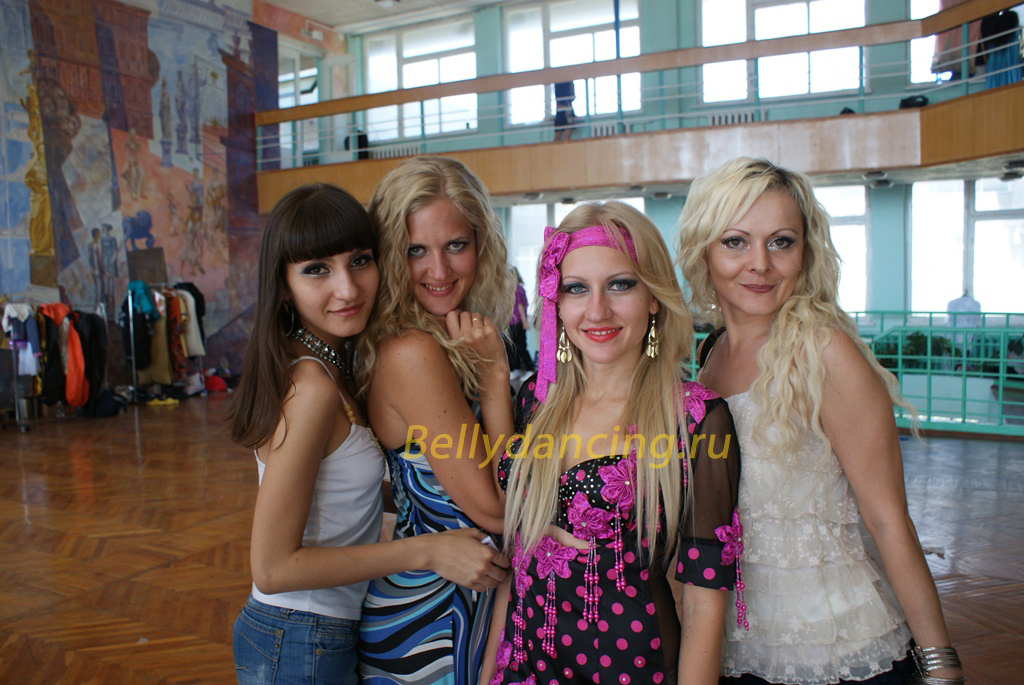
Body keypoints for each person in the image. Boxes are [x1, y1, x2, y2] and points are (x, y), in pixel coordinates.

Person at [676, 158, 963, 685]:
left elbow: (888, 521)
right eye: (735, 242)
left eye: (781, 242)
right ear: (704, 251)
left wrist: (941, 666)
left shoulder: (824, 352)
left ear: (804, 251)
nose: (760, 264)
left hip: (837, 649)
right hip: (737, 649)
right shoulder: (710, 356)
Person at [228, 183, 507, 685]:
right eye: (317, 270)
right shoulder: (311, 386)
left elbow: (342, 497)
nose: (348, 288)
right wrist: (429, 549)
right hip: (298, 634)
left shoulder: (332, 364)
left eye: (359, 261)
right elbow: (272, 568)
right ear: (282, 284)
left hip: (321, 628)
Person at [482, 201, 742, 685]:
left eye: (620, 285)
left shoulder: (694, 419)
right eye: (576, 288)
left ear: (654, 297)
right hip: (523, 664)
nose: (597, 310)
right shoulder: (537, 401)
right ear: (557, 302)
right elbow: (517, 561)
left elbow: (704, 604)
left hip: (630, 668)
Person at [356, 156, 516, 685]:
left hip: (464, 599)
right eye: (415, 251)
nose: (439, 271)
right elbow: (497, 511)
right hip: (433, 618)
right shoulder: (413, 352)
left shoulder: (439, 338)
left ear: (481, 243)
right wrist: (495, 377)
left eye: (455, 245)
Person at [505, 266, 533, 381]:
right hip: (512, 323)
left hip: (517, 323)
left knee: (520, 347)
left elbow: (520, 306)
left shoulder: (517, 289)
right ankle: (515, 369)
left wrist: (524, 322)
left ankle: (530, 369)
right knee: (512, 348)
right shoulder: (517, 289)